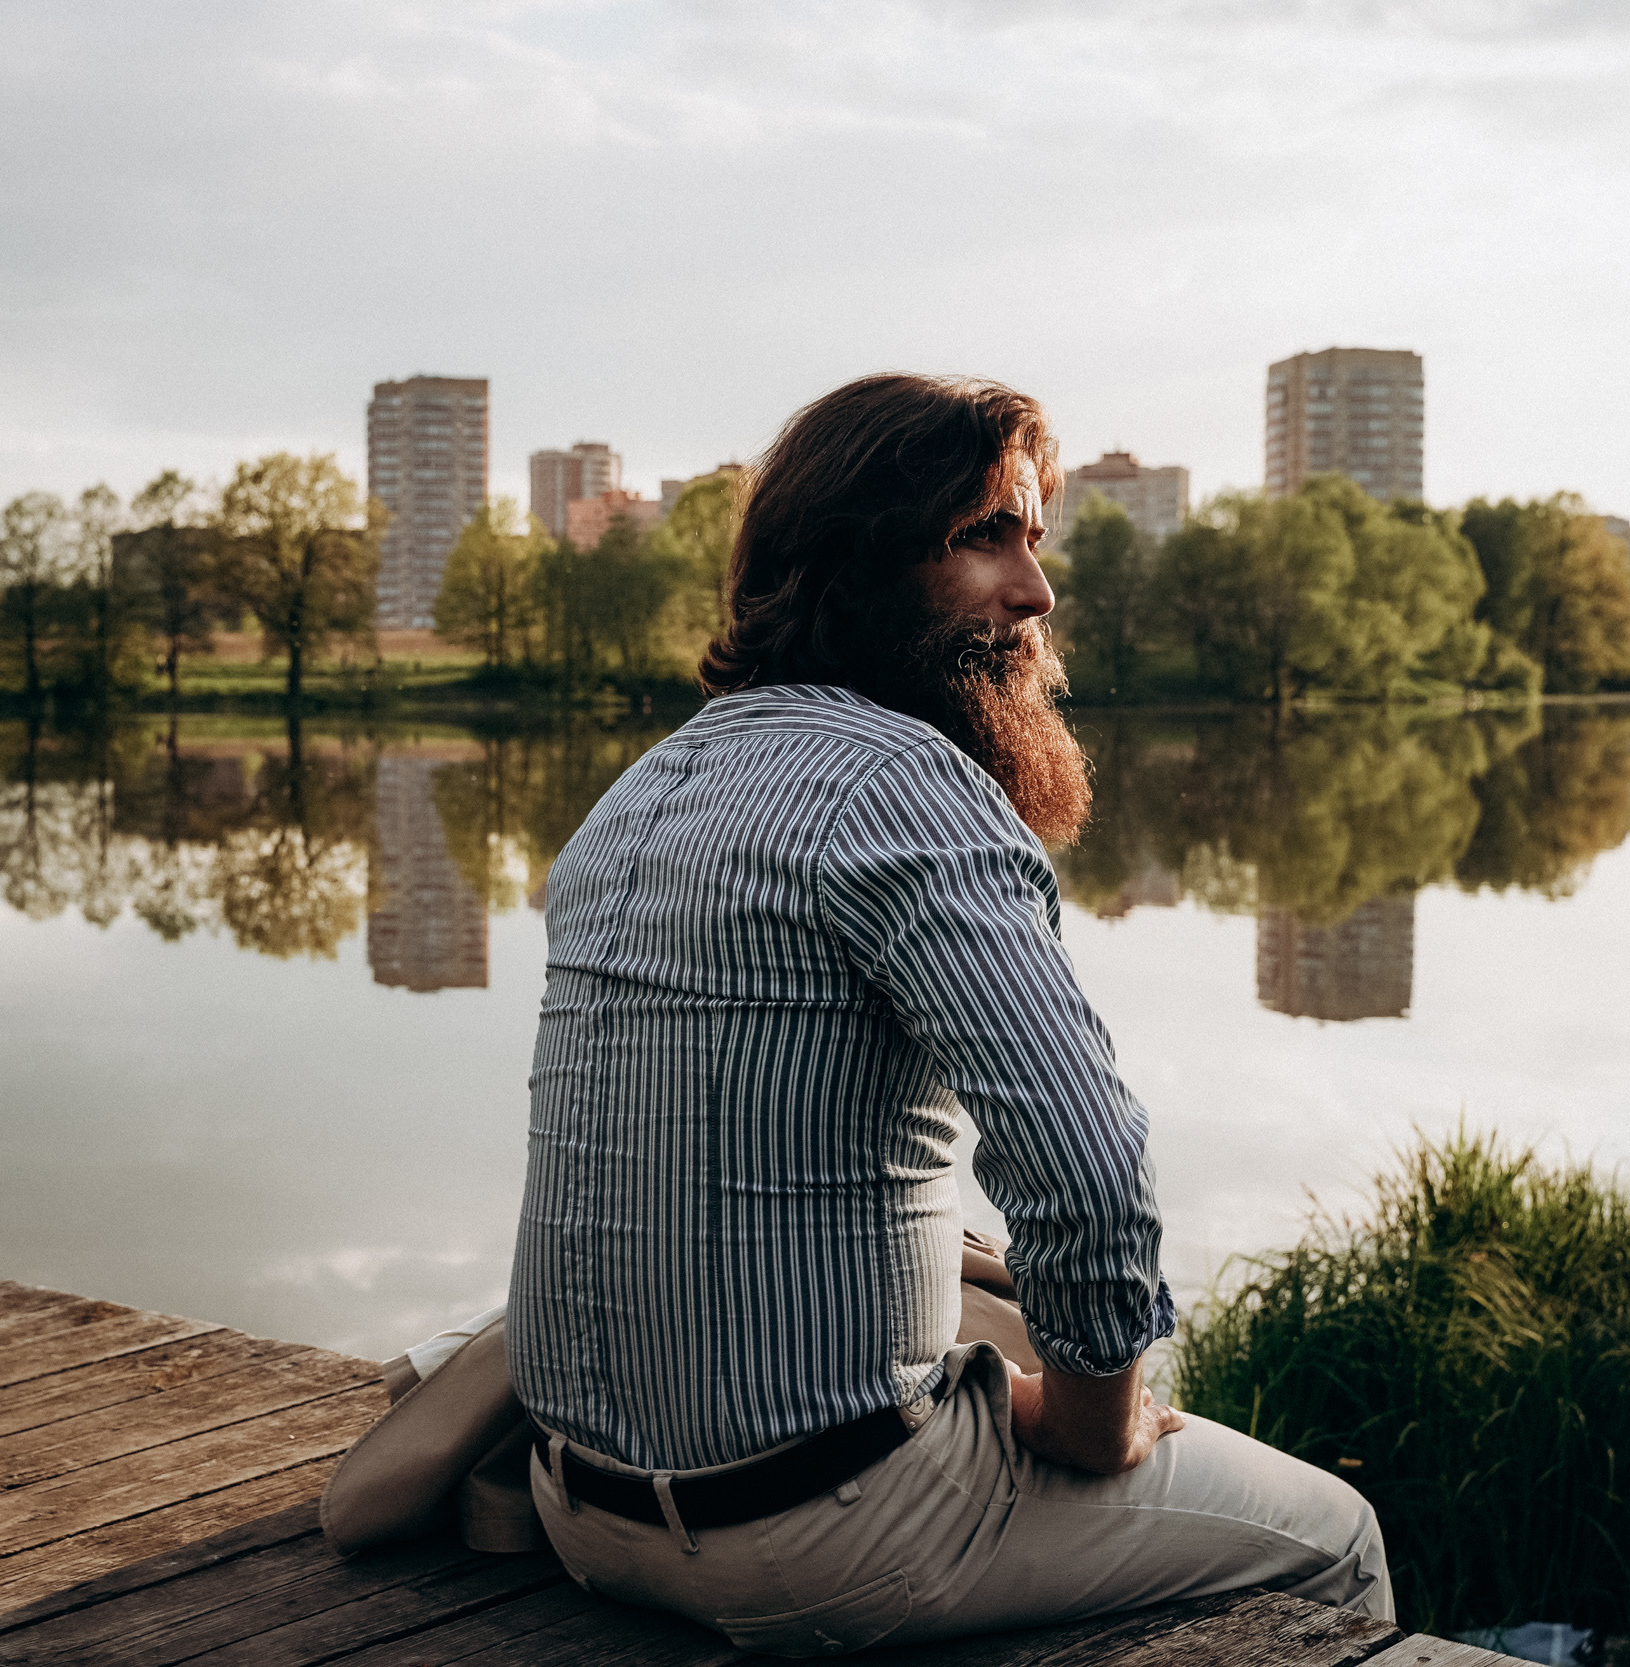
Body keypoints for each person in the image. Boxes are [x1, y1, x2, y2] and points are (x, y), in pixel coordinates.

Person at [503, 374, 1391, 1657]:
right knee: (1338, 1534)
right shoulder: (904, 789)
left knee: (992, 1305)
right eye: (984, 538)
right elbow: (1087, 1171)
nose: (1037, 592)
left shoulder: (634, 796)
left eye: (1034, 539)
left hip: (579, 1506)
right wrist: (1090, 1428)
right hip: (817, 1533)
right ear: (852, 560)